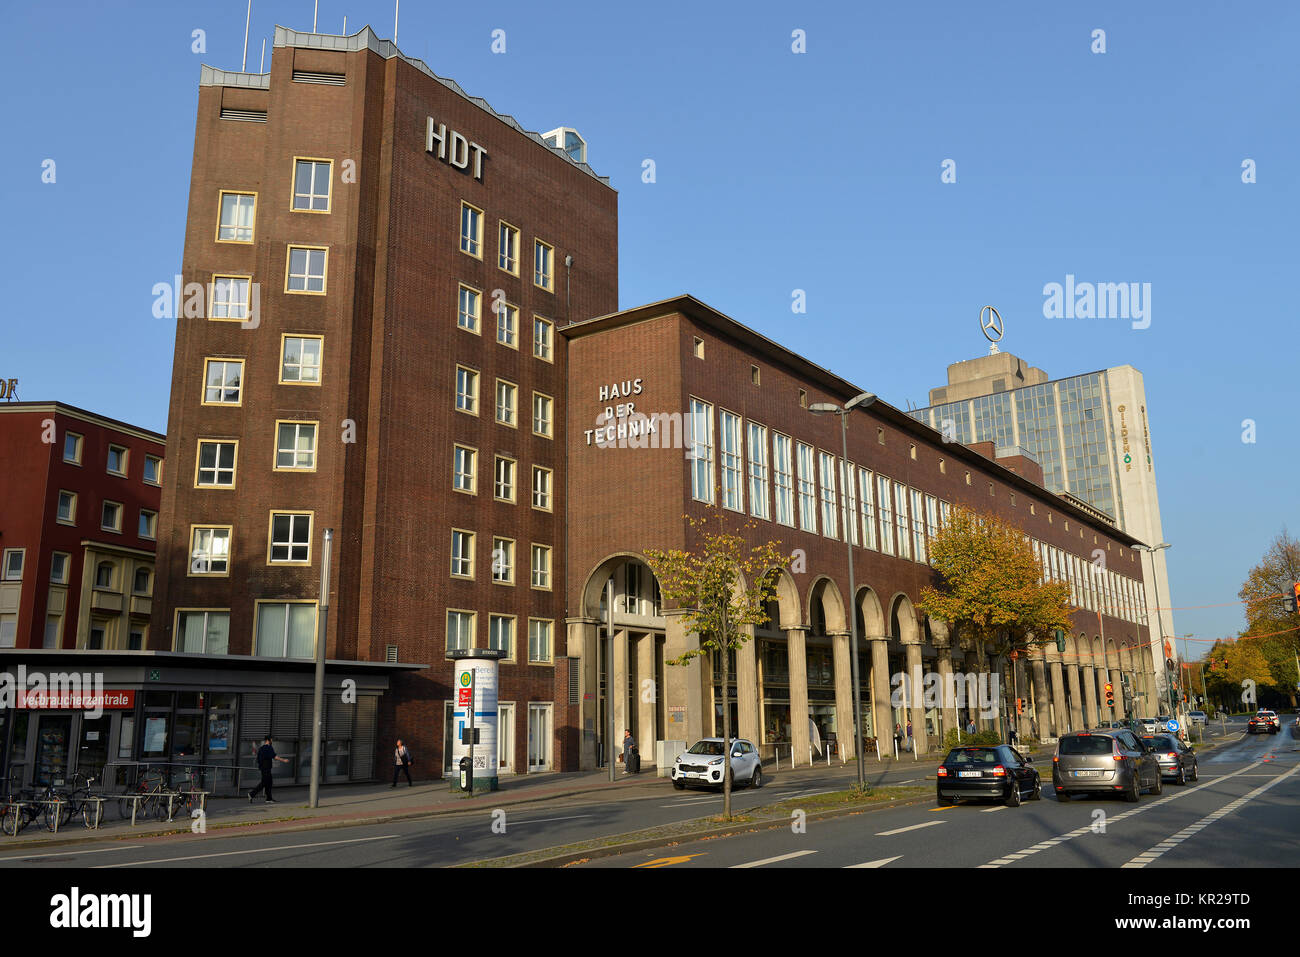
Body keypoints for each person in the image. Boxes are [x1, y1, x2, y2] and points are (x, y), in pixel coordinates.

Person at [248, 735, 288, 803]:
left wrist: (261, 765)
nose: (272, 741)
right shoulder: (268, 747)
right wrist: (284, 760)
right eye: (271, 740)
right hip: (266, 768)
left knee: (269, 782)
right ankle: (251, 794)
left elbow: (258, 759)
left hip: (263, 768)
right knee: (264, 783)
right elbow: (274, 756)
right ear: (268, 740)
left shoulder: (261, 748)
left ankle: (269, 799)